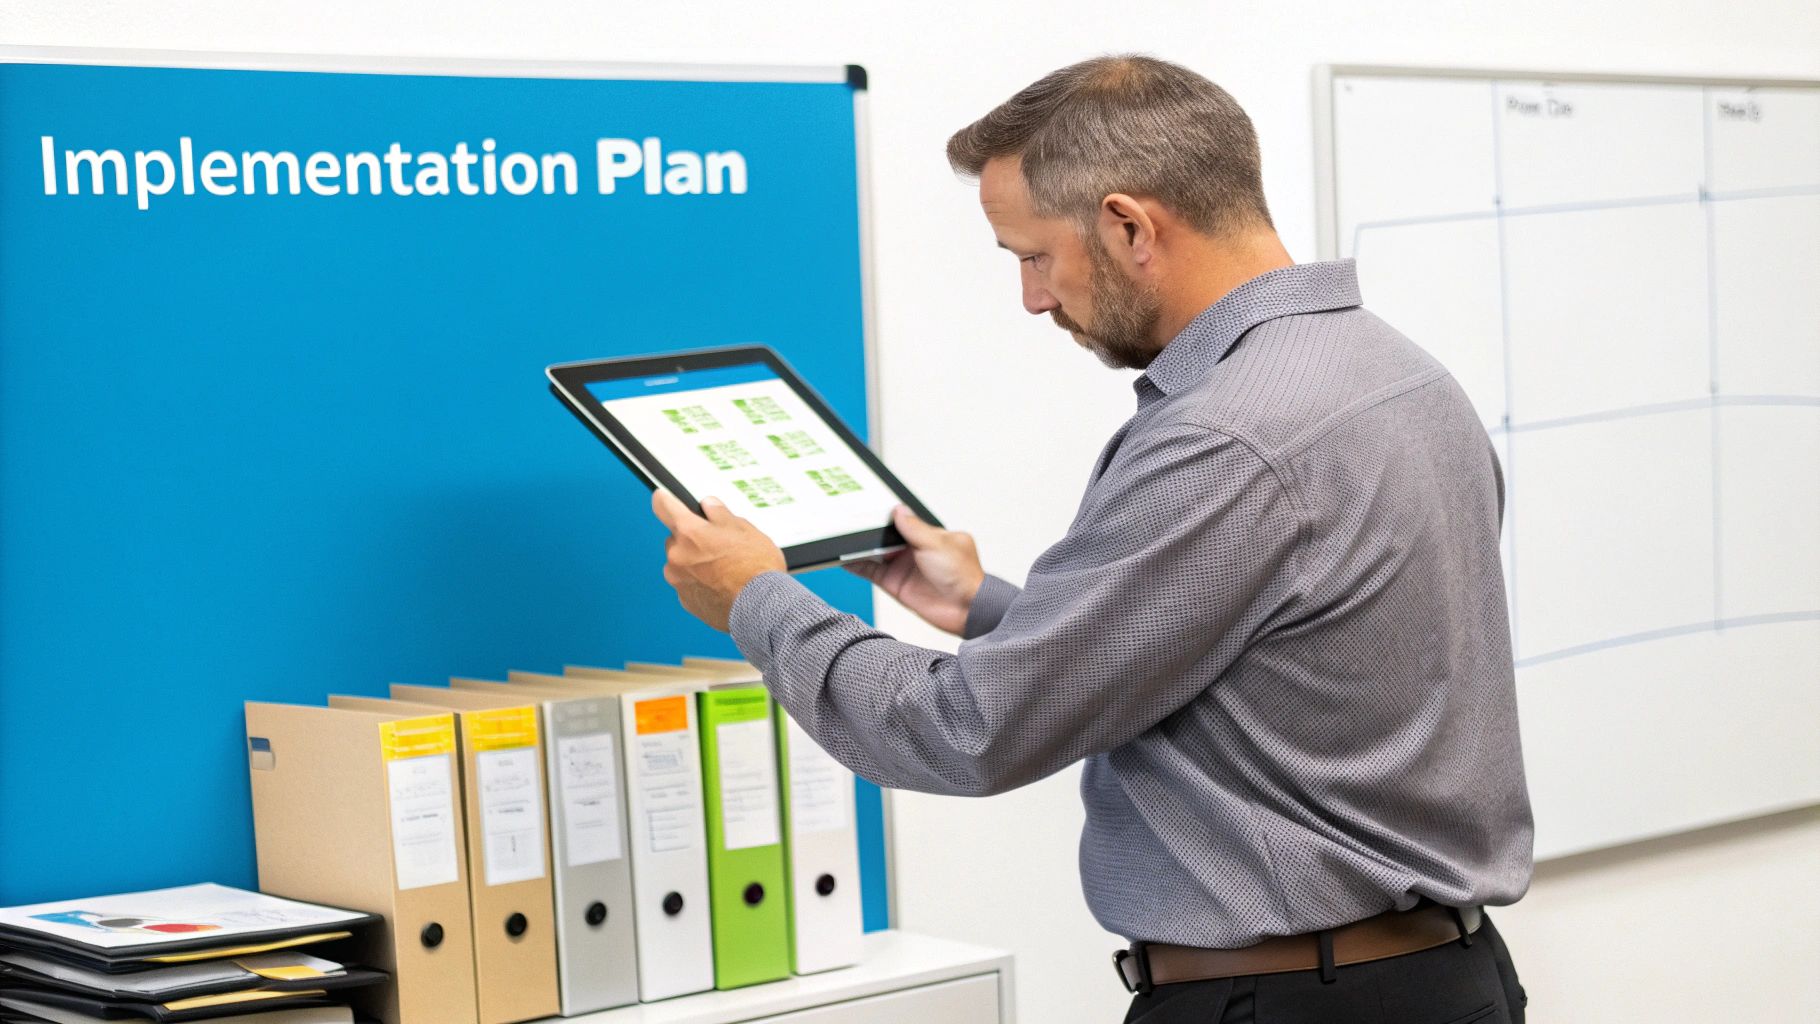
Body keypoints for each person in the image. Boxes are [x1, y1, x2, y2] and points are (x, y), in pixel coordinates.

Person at [651, 54, 1533, 1023]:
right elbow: (1264, 676)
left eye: (1032, 257)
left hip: (1288, 1003)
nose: (1032, 299)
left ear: (1127, 225)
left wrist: (755, 600)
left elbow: (969, 730)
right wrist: (985, 608)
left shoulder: (1221, 439)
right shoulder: (1403, 378)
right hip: (1441, 983)